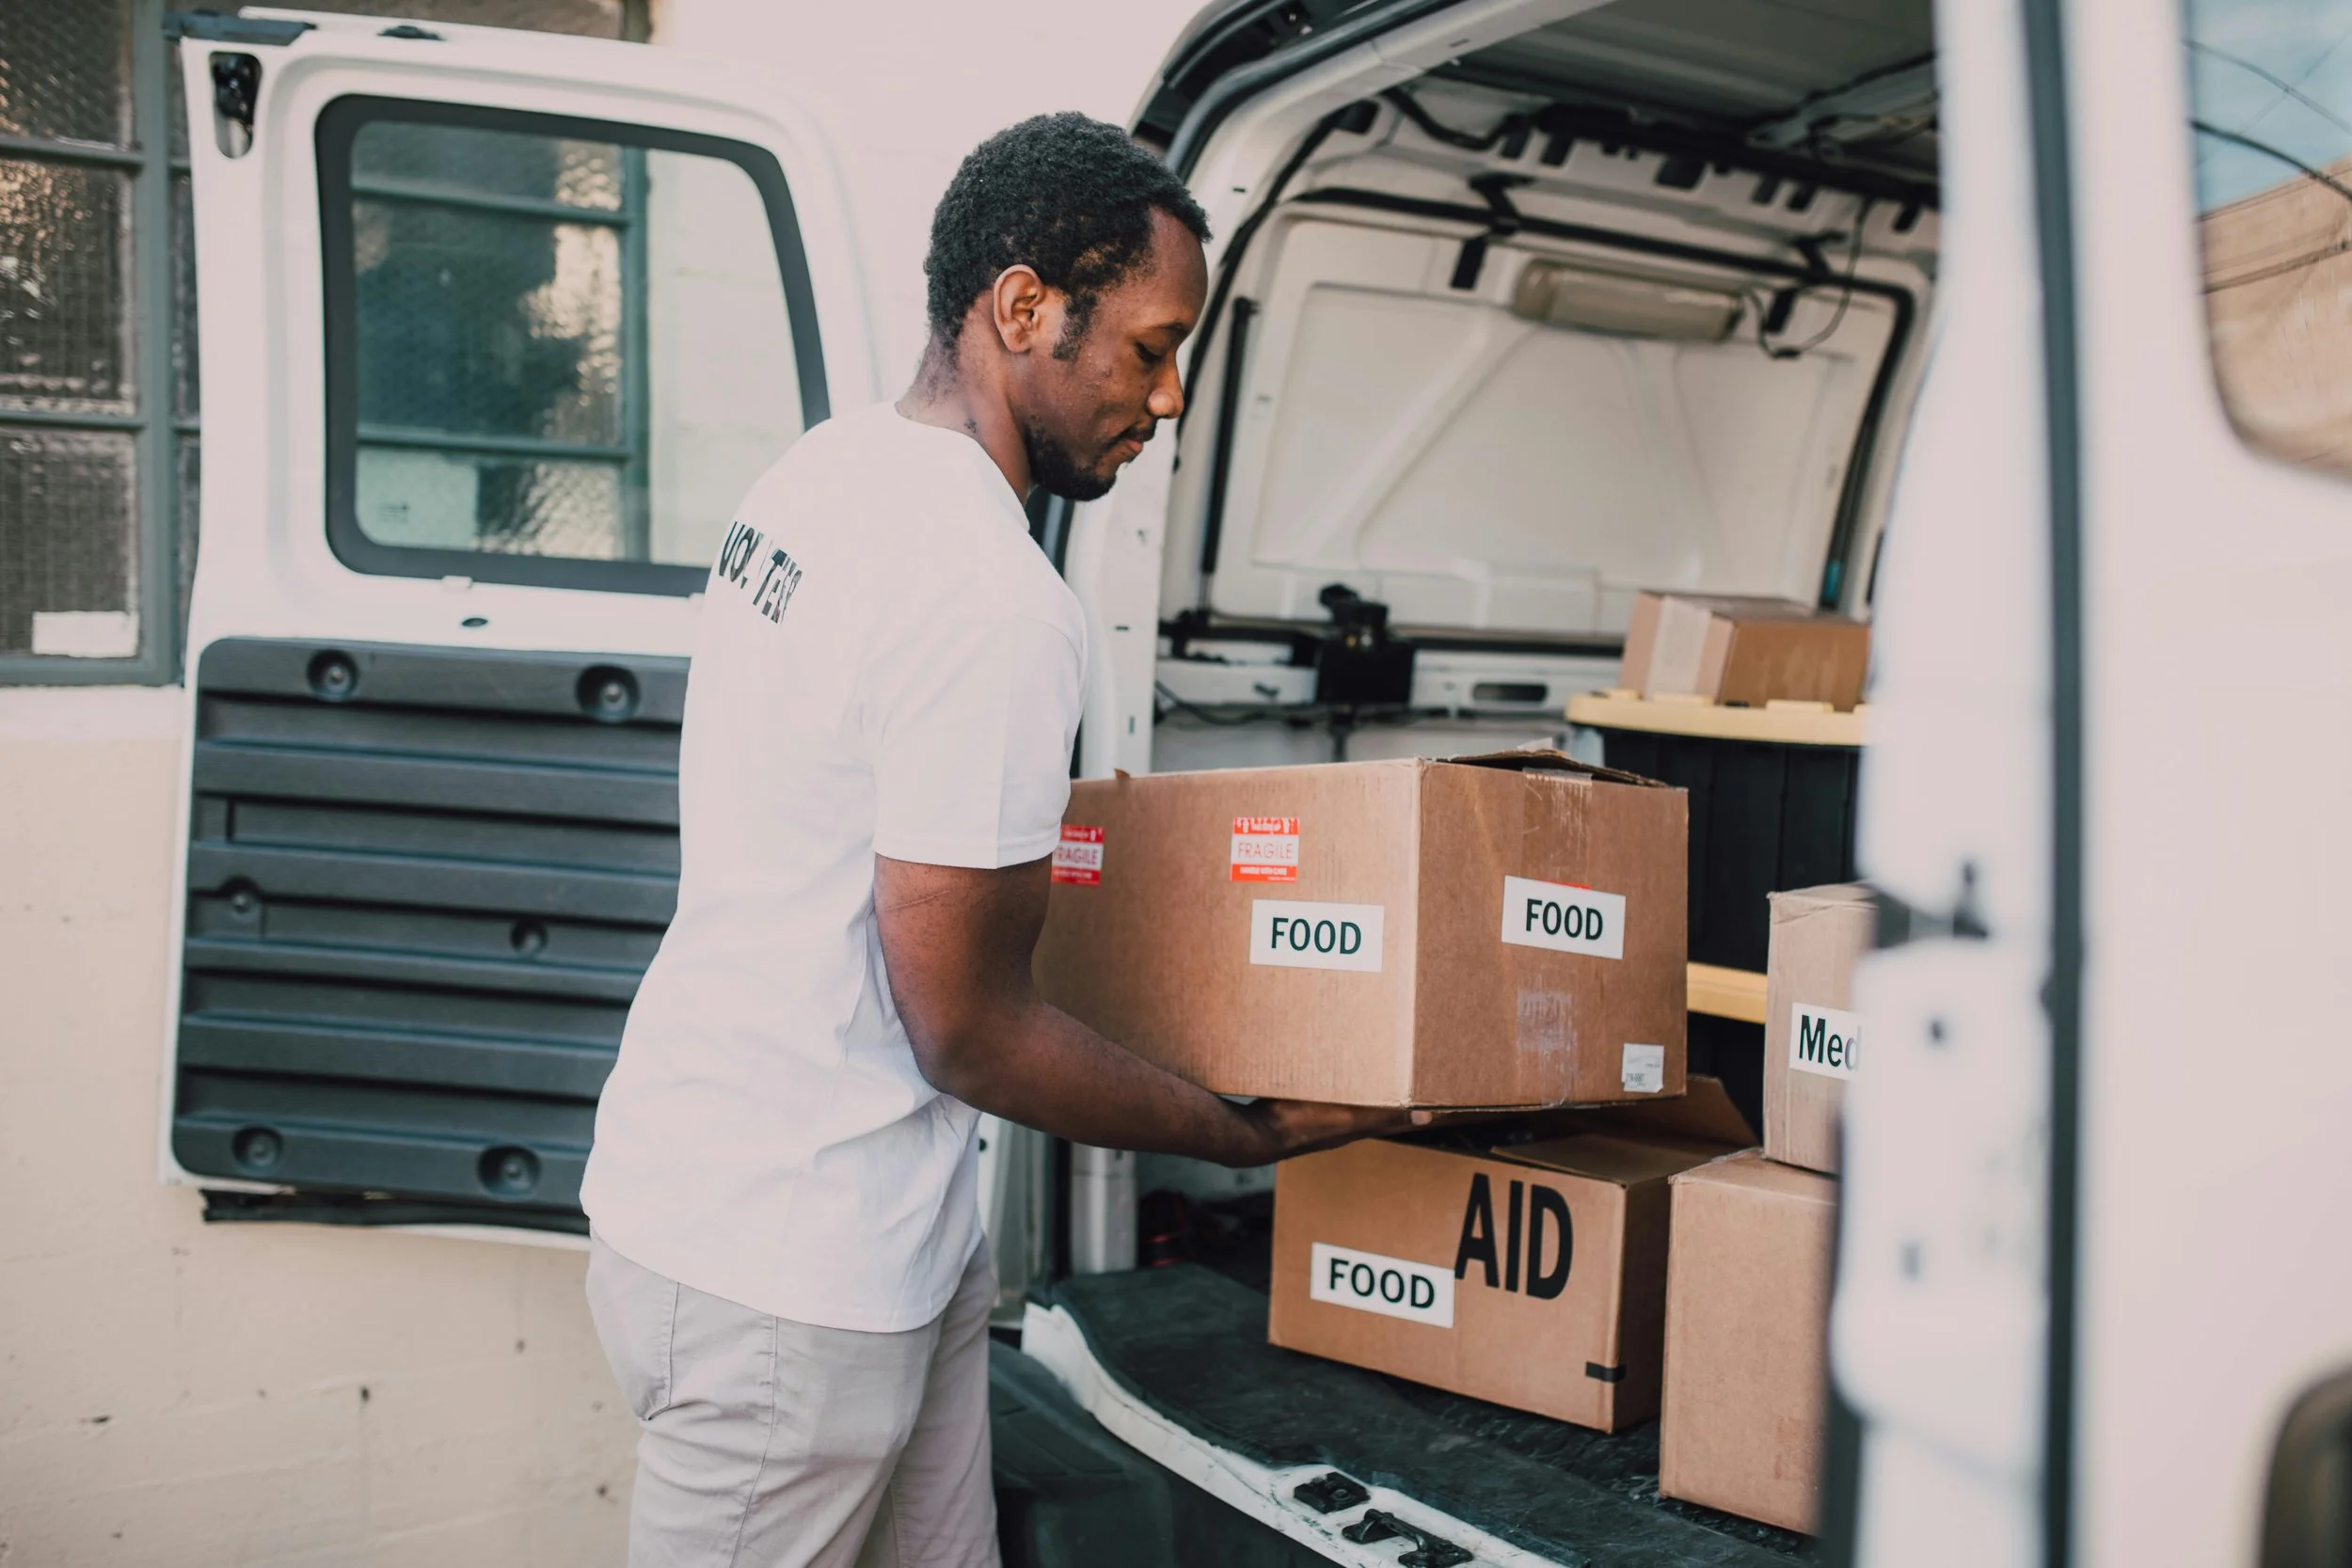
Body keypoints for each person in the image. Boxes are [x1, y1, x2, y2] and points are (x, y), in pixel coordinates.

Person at [579, 112, 1417, 1568]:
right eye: (1151, 349)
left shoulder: (819, 476)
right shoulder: (990, 595)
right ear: (1022, 307)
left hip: (792, 1208)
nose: (1166, 401)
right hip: (792, 1273)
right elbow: (967, 1029)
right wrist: (1245, 1135)